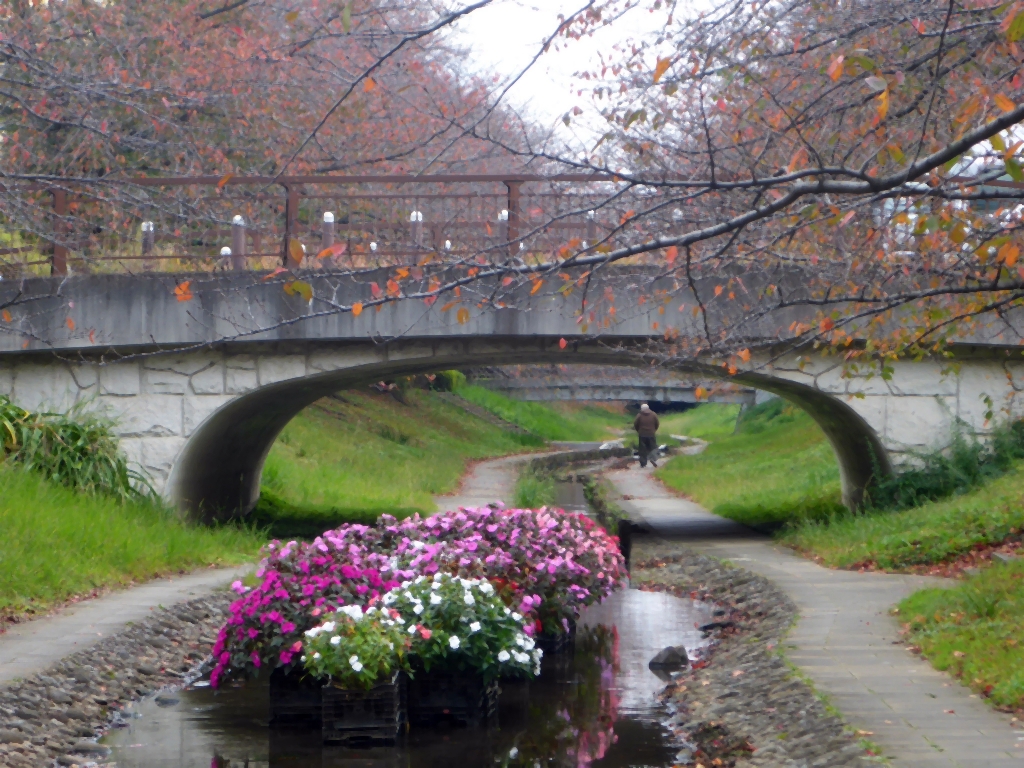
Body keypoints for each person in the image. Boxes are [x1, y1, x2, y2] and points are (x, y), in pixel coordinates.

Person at [633, 403, 660, 468]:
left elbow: (635, 424)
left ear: (642, 409)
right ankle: (653, 459)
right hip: (651, 434)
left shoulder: (639, 415)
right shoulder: (653, 414)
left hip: (642, 434)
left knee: (642, 449)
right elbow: (657, 423)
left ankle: (643, 463)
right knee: (653, 447)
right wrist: (653, 430)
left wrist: (639, 431)